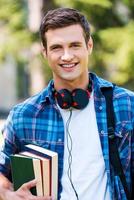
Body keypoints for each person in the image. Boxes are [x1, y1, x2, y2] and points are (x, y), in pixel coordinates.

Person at [0, 7, 133, 200]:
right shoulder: (23, 115)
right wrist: (8, 194)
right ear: (44, 53)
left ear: (89, 46)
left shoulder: (127, 105)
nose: (67, 56)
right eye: (56, 48)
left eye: (74, 45)